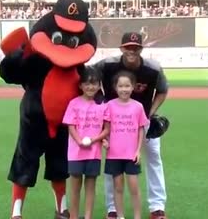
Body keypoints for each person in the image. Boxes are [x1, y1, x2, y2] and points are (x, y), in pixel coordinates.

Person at [0, 0, 97, 219]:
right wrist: (15, 58)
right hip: (34, 121)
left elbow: (92, 90)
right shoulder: (36, 60)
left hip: (64, 125)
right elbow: (10, 74)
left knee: (59, 166)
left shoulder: (79, 69)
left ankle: (61, 208)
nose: (65, 44)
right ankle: (16, 211)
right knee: (25, 163)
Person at [93, 32, 169, 219]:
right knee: (113, 164)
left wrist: (149, 113)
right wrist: (101, 101)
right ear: (121, 48)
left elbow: (162, 91)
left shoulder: (153, 68)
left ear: (141, 49)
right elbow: (89, 78)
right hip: (115, 125)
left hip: (143, 123)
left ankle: (157, 207)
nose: (132, 51)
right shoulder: (107, 65)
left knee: (154, 159)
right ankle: (112, 209)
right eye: (128, 47)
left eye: (135, 47)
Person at [62, 67, 110, 219]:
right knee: (75, 185)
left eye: (94, 83)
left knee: (91, 185)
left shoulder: (103, 105)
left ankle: (88, 216)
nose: (91, 87)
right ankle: (74, 216)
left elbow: (107, 129)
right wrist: (79, 141)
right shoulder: (74, 103)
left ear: (99, 85)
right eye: (87, 84)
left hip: (94, 153)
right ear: (80, 85)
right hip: (76, 152)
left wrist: (94, 140)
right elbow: (71, 126)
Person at [103, 70, 149, 219]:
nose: (124, 89)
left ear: (133, 87)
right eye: (120, 86)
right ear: (115, 88)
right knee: (118, 187)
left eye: (127, 86)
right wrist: (104, 140)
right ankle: (120, 216)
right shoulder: (109, 105)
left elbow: (141, 129)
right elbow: (105, 128)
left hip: (131, 155)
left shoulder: (138, 107)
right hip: (114, 154)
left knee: (134, 188)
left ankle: (137, 216)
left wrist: (138, 151)